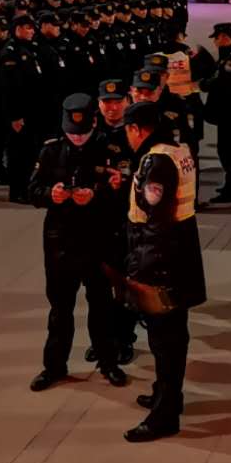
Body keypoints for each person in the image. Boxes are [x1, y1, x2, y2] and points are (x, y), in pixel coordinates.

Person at [27, 94, 129, 392]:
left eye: (83, 134)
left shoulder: (110, 149)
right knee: (60, 309)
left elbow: (123, 192)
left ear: (94, 123)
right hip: (60, 241)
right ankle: (54, 366)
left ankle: (108, 362)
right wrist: (51, 195)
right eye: (72, 133)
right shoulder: (51, 150)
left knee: (102, 306)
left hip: (98, 238)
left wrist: (96, 194)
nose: (77, 138)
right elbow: (32, 189)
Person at [120, 100, 204, 442]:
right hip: (179, 253)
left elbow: (156, 222)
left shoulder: (156, 162)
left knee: (165, 339)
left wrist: (141, 270)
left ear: (137, 129)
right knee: (172, 335)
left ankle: (165, 415)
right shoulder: (178, 149)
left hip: (162, 262)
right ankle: (167, 395)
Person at [90, 78, 138, 364]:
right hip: (95, 220)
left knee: (124, 285)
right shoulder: (89, 133)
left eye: (117, 101)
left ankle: (124, 338)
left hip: (125, 219)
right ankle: (101, 340)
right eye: (106, 102)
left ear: (127, 102)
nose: (112, 107)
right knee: (96, 286)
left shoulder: (134, 134)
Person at [0, 14, 45, 204]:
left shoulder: (27, 49)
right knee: (18, 154)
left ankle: (25, 187)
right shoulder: (10, 53)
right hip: (19, 113)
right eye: (28, 28)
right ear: (18, 29)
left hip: (30, 110)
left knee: (29, 153)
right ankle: (17, 191)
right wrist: (15, 116)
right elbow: (10, 88)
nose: (32, 31)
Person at [201, 21, 231, 201]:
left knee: (228, 150)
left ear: (223, 37)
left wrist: (204, 84)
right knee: (226, 149)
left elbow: (221, 81)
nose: (214, 42)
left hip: (229, 112)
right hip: (227, 112)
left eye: (216, 38)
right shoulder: (228, 55)